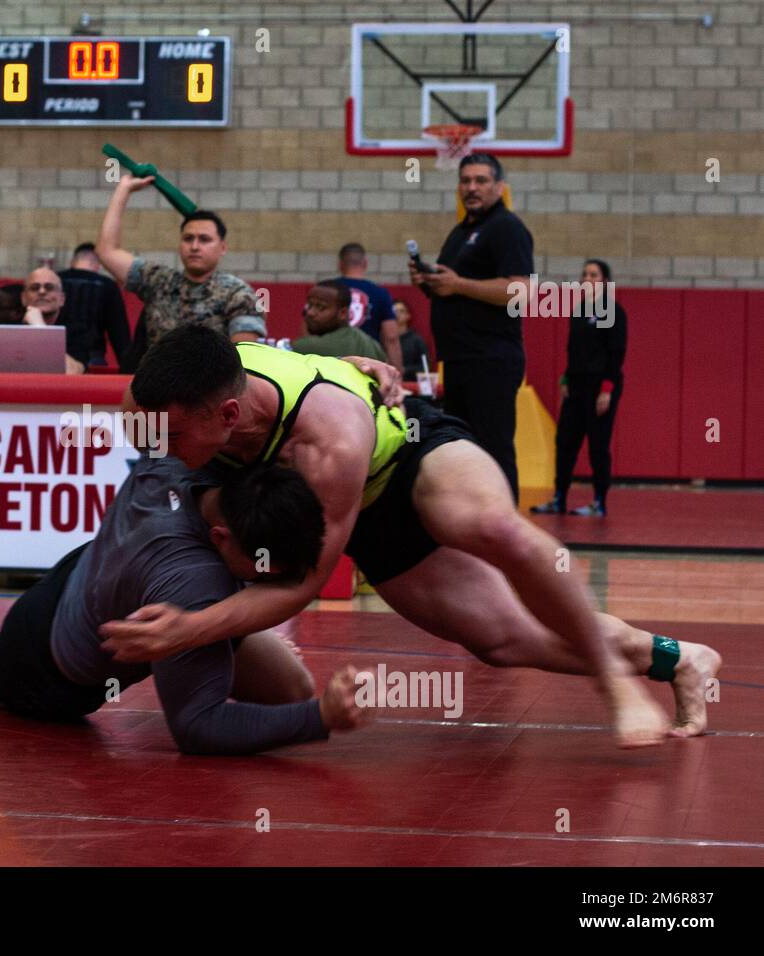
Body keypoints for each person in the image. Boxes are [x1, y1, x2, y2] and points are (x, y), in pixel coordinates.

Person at [101, 327, 722, 749]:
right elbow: (295, 353)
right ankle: (675, 658)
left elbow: (304, 586)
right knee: (501, 641)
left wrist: (190, 629)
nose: (161, 454)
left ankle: (612, 683)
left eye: (172, 441)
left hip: (410, 456)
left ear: (229, 417)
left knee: (485, 523)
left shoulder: (326, 441)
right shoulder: (174, 394)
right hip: (357, 509)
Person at [0, 457, 367, 756]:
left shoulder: (184, 462)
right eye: (266, 570)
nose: (277, 586)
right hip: (45, 669)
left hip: (84, 573)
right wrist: (320, 721)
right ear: (222, 541)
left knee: (290, 689)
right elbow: (198, 726)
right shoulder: (195, 586)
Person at [409, 153, 533, 500]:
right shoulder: (462, 232)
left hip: (490, 359)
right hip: (461, 360)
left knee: (493, 450)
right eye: (466, 181)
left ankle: (505, 536)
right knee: (465, 450)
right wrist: (428, 280)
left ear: (499, 187)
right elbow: (452, 288)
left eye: (481, 181)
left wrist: (460, 284)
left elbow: (520, 291)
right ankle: (473, 528)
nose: (472, 188)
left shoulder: (506, 228)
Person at [97, 174, 264, 369]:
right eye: (188, 238)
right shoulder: (159, 280)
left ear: (223, 247)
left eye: (204, 239)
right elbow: (106, 251)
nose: (194, 246)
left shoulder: (238, 294)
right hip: (157, 388)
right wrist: (124, 189)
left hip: (208, 390)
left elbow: (245, 359)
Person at [532, 259, 628, 518]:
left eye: (593, 275)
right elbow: (573, 351)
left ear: (605, 282)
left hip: (600, 387)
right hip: (576, 386)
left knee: (598, 446)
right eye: (584, 275)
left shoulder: (613, 312)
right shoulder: (579, 311)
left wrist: (606, 390)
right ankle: (558, 498)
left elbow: (615, 354)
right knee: (564, 442)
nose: (587, 279)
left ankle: (599, 502)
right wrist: (565, 380)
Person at [57, 242, 132, 369]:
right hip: (93, 359)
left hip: (58, 356)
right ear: (97, 265)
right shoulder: (107, 285)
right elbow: (119, 333)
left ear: (73, 261)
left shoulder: (55, 281)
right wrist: (128, 369)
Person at [336, 242, 403, 370]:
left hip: (331, 364)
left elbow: (309, 326)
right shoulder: (379, 293)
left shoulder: (325, 290)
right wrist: (397, 372)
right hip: (369, 365)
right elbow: (391, 338)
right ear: (365, 263)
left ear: (340, 264)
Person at [291, 279, 387, 362]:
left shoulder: (305, 347)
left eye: (320, 307)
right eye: (309, 305)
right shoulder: (372, 345)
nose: (310, 312)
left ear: (343, 313)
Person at [393, 300, 431, 382]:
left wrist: (405, 370)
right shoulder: (385, 339)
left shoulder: (416, 340)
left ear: (408, 315)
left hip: (410, 383)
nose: (397, 314)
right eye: (394, 311)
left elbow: (425, 366)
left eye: (401, 311)